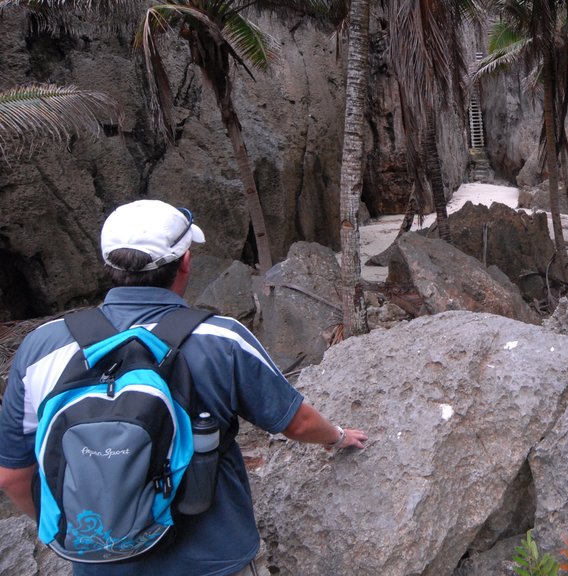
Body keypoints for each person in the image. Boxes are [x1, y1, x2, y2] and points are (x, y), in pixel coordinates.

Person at [0, 199, 368, 576]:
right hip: (212, 557)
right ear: (186, 263)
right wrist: (337, 436)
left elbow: (12, 476)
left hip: (100, 566)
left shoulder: (42, 347)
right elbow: (298, 424)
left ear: (108, 263)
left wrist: (80, 530)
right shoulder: (220, 338)